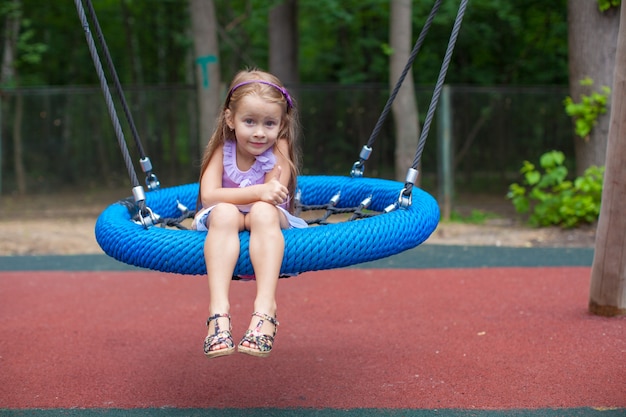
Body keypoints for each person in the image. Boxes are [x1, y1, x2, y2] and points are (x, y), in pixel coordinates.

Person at [192, 69, 307, 359]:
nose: (259, 132)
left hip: (265, 218)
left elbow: (275, 195)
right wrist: (258, 192)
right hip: (227, 217)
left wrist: (261, 197)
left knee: (263, 212)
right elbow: (209, 196)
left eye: (269, 123)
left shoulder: (279, 146)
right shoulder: (223, 147)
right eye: (249, 121)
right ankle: (218, 313)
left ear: (281, 124)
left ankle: (265, 308)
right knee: (225, 214)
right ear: (230, 119)